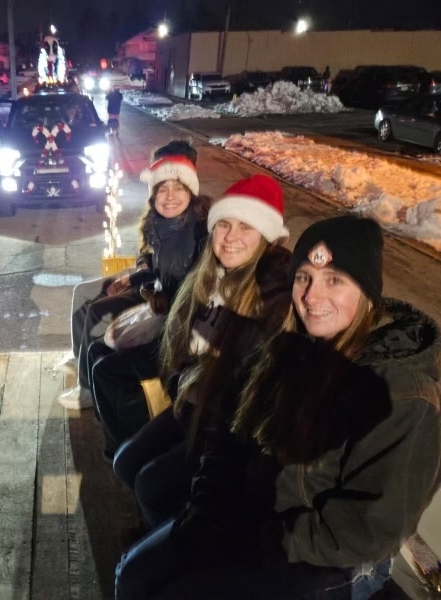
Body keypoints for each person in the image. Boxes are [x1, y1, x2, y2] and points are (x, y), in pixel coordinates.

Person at [115, 215, 441, 599]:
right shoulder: (285, 351)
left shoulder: (400, 393)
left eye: (334, 280)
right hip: (253, 519)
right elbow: (228, 434)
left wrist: (252, 542)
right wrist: (205, 508)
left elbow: (365, 530)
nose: (312, 296)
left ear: (367, 292)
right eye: (304, 277)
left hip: (327, 558)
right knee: (133, 575)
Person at [98, 174, 291, 465]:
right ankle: (126, 443)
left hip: (221, 420)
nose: (230, 237)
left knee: (145, 475)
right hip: (189, 392)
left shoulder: (270, 293)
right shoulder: (207, 271)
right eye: (224, 224)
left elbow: (245, 384)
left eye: (246, 226)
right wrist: (144, 283)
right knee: (127, 459)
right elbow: (179, 328)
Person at [58, 141, 207, 410]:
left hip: (157, 293)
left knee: (97, 309)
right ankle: (80, 357)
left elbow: (183, 282)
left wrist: (140, 279)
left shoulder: (197, 227)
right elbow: (147, 253)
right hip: (148, 280)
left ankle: (87, 385)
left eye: (177, 185)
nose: (169, 195)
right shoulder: (158, 217)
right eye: (161, 185)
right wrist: (137, 271)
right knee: (83, 292)